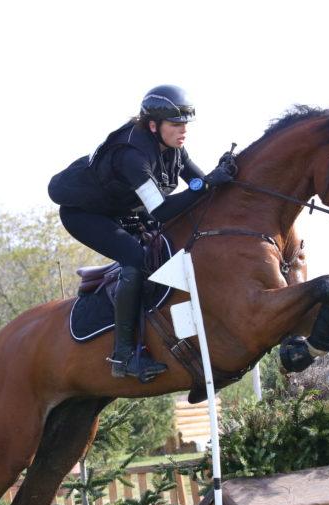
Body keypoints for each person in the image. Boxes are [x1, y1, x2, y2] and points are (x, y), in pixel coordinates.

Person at [48, 85, 237, 382]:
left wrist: (224, 175)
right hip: (83, 214)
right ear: (153, 125)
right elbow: (162, 210)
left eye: (185, 125)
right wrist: (209, 183)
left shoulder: (174, 148)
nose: (182, 131)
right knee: (135, 258)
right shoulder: (132, 157)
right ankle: (123, 357)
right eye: (176, 125)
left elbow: (200, 184)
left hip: (120, 210)